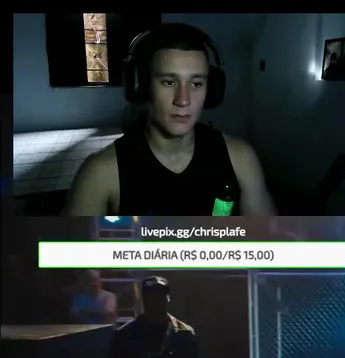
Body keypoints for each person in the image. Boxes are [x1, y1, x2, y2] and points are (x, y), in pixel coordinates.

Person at [63, 23, 276, 217]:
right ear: (141, 87)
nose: (183, 100)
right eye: (168, 82)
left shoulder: (240, 158)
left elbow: (271, 240)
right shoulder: (100, 173)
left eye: (196, 84)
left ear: (212, 91)